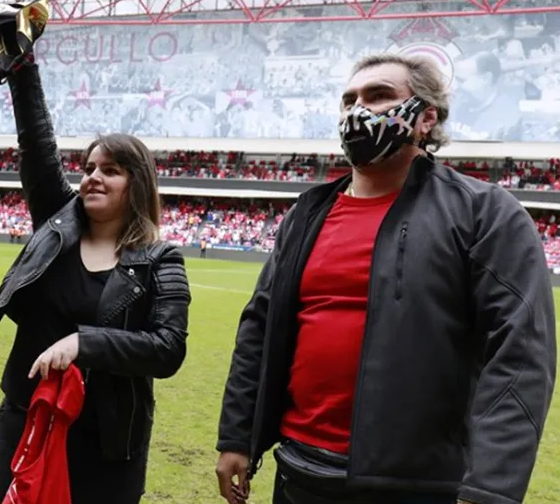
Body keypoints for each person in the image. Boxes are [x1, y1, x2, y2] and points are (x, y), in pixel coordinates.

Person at [214, 53, 555, 504]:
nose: (359, 109)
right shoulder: (306, 214)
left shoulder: (484, 212)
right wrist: (238, 436)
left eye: (379, 96)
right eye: (349, 99)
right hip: (299, 469)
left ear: (426, 118)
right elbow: (258, 328)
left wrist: (490, 488)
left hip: (417, 483)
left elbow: (520, 352)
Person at [0, 56, 192, 504]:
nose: (92, 178)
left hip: (106, 443)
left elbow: (168, 348)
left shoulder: (161, 259)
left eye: (110, 170)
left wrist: (83, 343)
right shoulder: (57, 224)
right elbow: (36, 144)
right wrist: (23, 66)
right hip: (26, 418)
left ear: (136, 182)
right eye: (88, 168)